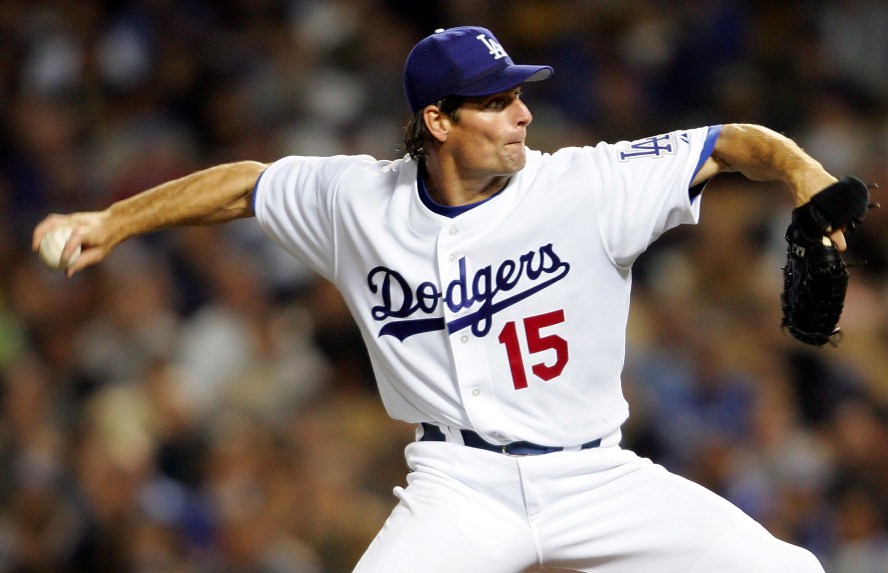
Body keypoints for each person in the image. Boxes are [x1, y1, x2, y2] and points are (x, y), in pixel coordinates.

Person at [33, 25, 842, 572]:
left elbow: (733, 143)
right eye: (496, 102)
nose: (524, 113)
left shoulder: (585, 183)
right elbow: (246, 184)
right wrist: (114, 219)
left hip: (596, 476)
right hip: (458, 485)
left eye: (519, 95)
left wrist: (804, 173)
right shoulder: (359, 201)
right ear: (438, 120)